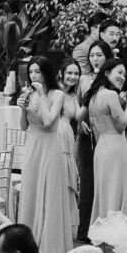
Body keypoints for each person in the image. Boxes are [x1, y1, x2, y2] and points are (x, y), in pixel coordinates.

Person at [17, 55, 73, 253]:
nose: (33, 75)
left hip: (50, 144)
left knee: (50, 192)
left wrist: (41, 95)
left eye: (37, 71)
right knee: (31, 190)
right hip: (33, 144)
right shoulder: (29, 93)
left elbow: (49, 121)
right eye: (31, 71)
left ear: (46, 73)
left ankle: (51, 248)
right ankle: (29, 245)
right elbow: (23, 126)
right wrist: (22, 108)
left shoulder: (58, 95)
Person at [81, 58, 127, 225]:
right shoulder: (111, 94)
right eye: (119, 72)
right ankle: (117, 229)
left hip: (101, 147)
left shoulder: (93, 96)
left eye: (124, 74)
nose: (122, 77)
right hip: (116, 146)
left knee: (105, 191)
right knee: (118, 190)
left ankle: (104, 228)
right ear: (107, 73)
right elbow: (121, 125)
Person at [75, 39, 113, 242]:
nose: (95, 59)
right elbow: (77, 103)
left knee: (106, 182)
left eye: (99, 55)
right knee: (88, 182)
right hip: (87, 134)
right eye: (92, 55)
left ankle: (106, 230)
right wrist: (80, 122)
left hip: (107, 133)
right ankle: (85, 230)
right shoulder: (83, 79)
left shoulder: (113, 78)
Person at [57, 57, 81, 237]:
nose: (73, 77)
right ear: (61, 73)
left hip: (67, 135)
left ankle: (66, 225)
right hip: (54, 135)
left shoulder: (73, 96)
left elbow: (79, 115)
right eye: (69, 73)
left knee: (67, 179)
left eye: (76, 73)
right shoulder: (53, 91)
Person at [72, 11, 110, 76]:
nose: (106, 32)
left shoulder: (107, 45)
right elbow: (82, 76)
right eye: (103, 28)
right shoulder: (81, 49)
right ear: (93, 30)